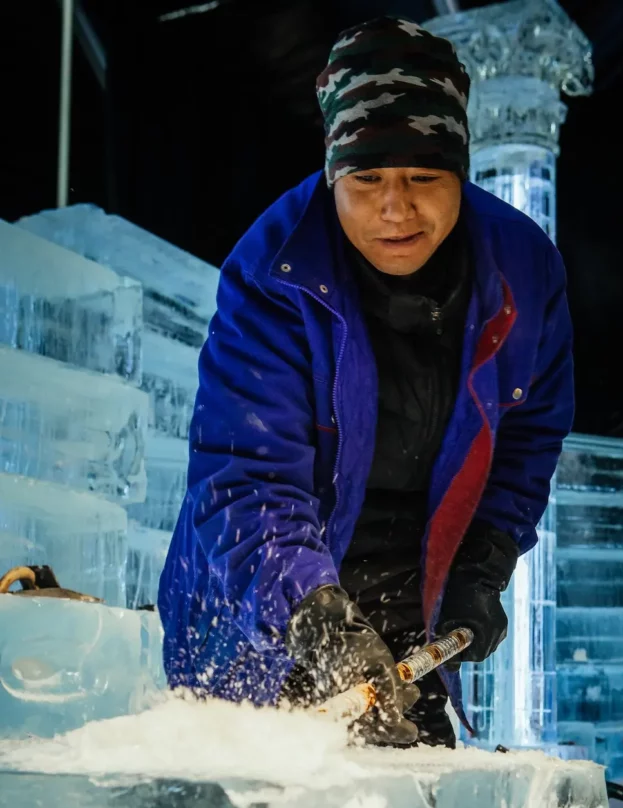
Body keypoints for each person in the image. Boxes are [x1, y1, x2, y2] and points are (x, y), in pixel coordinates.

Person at [158, 16, 574, 748]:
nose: (395, 208)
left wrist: (486, 556)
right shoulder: (272, 271)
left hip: (404, 610)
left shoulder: (522, 268)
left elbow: (529, 432)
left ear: (461, 170)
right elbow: (247, 477)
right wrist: (319, 622)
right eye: (367, 179)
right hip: (265, 610)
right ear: (331, 174)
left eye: (422, 177)